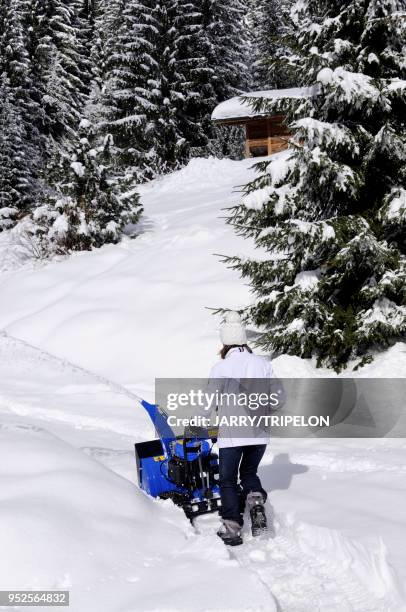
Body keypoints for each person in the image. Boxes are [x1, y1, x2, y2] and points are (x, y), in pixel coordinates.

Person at [208, 311, 283, 546]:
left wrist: (195, 428)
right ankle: (255, 501)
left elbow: (207, 406)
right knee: (249, 473)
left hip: (232, 436)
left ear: (225, 343)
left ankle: (231, 529)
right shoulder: (262, 364)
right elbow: (279, 400)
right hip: (259, 435)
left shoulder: (220, 369)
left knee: (228, 480)